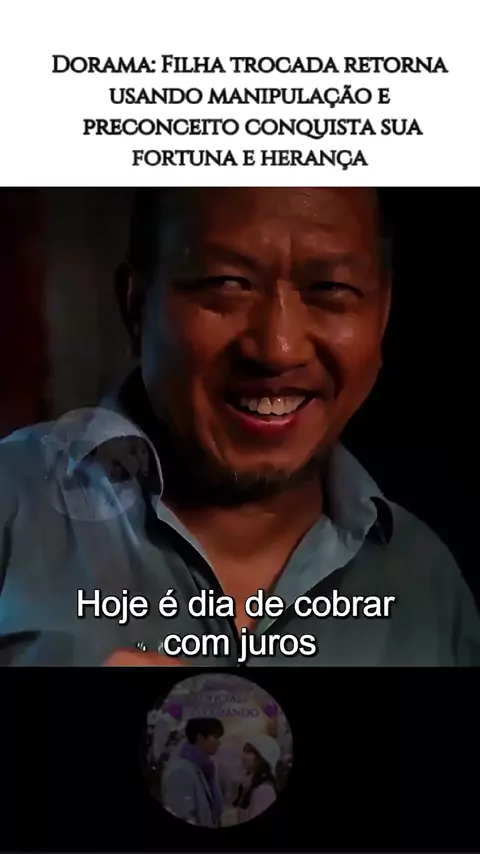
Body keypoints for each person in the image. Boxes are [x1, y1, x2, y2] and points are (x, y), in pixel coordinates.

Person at [0, 187, 479, 666]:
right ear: (136, 306)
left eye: (331, 289)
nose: (279, 349)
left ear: (383, 314)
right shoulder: (12, 506)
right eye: (227, 284)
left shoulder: (427, 583)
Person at [161, 717, 224, 827]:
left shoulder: (203, 769)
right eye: (215, 737)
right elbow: (182, 815)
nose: (219, 743)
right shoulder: (181, 772)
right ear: (200, 738)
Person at [234, 735, 280, 823]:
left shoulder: (265, 790)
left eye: (248, 751)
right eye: (245, 750)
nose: (243, 756)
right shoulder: (249, 784)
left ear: (261, 759)